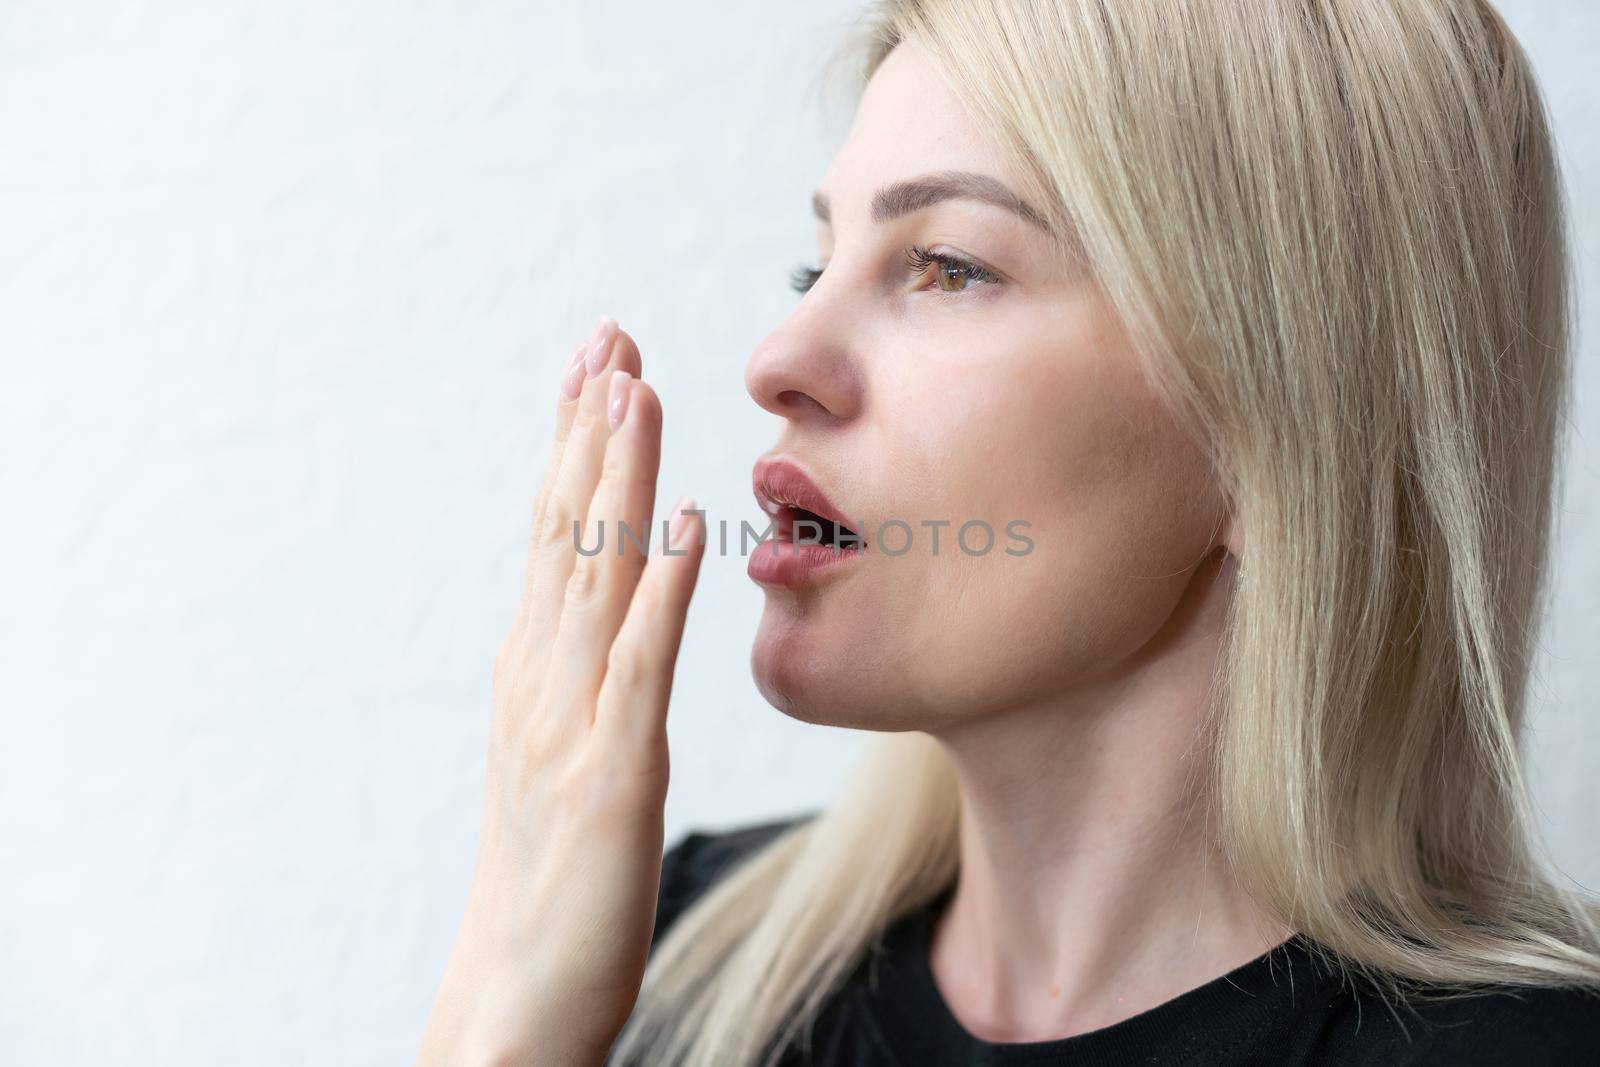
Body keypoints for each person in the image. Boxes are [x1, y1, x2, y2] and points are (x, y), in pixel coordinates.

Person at [417, 1, 1600, 1064]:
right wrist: (506, 1012)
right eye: (813, 263)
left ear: (1279, 425)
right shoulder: (678, 960)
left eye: (946, 266)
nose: (778, 363)